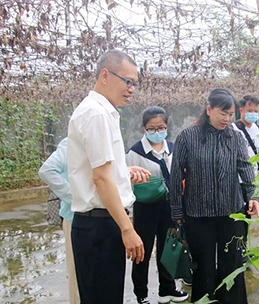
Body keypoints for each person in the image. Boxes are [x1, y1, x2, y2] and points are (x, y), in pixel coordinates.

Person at [67, 49, 151, 304]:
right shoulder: (96, 114)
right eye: (128, 81)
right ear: (105, 75)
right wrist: (127, 228)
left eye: (135, 83)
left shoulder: (101, 111)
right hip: (100, 225)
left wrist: (123, 173)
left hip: (100, 223)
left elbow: (99, 170)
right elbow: (101, 179)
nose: (132, 89)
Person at [170, 88, 259, 304]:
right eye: (223, 113)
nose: (227, 119)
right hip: (198, 215)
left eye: (230, 115)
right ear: (209, 109)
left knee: (233, 267)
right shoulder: (187, 137)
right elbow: (175, 177)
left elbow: (246, 170)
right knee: (203, 267)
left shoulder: (236, 137)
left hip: (231, 213)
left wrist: (253, 196)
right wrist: (177, 212)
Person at [126, 106, 188, 304]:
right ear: (145, 129)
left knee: (167, 248)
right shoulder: (136, 152)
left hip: (169, 206)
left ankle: (167, 289)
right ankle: (141, 293)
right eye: (152, 128)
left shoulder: (172, 148)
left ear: (166, 126)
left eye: (160, 127)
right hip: (146, 207)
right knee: (141, 251)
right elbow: (126, 183)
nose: (156, 132)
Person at [38, 138, 80, 304]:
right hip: (74, 217)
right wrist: (74, 197)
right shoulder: (70, 144)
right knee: (77, 272)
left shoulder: (103, 141)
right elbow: (47, 170)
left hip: (102, 217)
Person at [231, 95, 259, 260]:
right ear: (241, 110)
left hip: (251, 181)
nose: (253, 114)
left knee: (247, 215)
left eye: (256, 111)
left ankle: (243, 250)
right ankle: (234, 251)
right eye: (249, 110)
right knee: (235, 217)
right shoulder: (232, 128)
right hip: (235, 181)